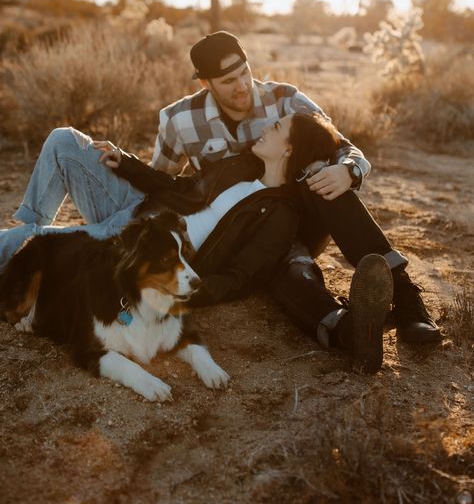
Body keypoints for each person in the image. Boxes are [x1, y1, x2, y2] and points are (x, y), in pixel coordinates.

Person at [0, 110, 394, 373]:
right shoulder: (242, 164)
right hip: (139, 209)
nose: (264, 129)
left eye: (275, 129)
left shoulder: (279, 216)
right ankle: (30, 237)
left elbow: (241, 276)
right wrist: (129, 163)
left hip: (130, 245)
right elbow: (183, 187)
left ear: (288, 149)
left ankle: (26, 249)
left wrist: (180, 294)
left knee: (24, 244)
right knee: (65, 140)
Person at [144, 30, 441, 347]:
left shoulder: (286, 100)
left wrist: (349, 169)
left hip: (303, 215)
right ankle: (346, 331)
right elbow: (159, 182)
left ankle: (407, 298)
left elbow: (342, 146)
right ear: (206, 84)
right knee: (286, 267)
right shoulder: (180, 120)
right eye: (228, 81)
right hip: (244, 238)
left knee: (324, 179)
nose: (242, 85)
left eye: (244, 72)